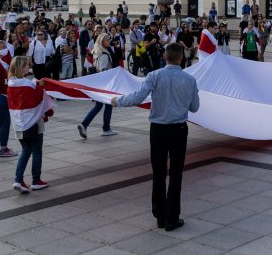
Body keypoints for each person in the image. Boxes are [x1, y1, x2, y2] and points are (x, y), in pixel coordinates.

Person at [112, 43, 199, 232]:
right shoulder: (189, 79)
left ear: (165, 57)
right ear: (181, 57)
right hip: (178, 130)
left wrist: (117, 101)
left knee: (158, 173)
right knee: (176, 173)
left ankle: (160, 215)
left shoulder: (154, 76)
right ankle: (172, 217)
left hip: (158, 130)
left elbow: (137, 96)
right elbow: (194, 107)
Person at [7, 55, 53, 193]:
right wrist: (40, 86)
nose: (30, 67)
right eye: (27, 65)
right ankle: (36, 180)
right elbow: (36, 99)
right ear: (22, 68)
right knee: (37, 151)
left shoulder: (11, 83)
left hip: (18, 123)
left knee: (25, 151)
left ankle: (18, 179)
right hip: (32, 122)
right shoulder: (26, 84)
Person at [77, 34, 117, 138]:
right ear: (102, 42)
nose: (109, 41)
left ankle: (85, 125)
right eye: (107, 40)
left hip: (100, 84)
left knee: (100, 106)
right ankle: (105, 128)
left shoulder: (98, 52)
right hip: (104, 85)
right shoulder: (103, 55)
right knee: (107, 105)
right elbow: (103, 71)